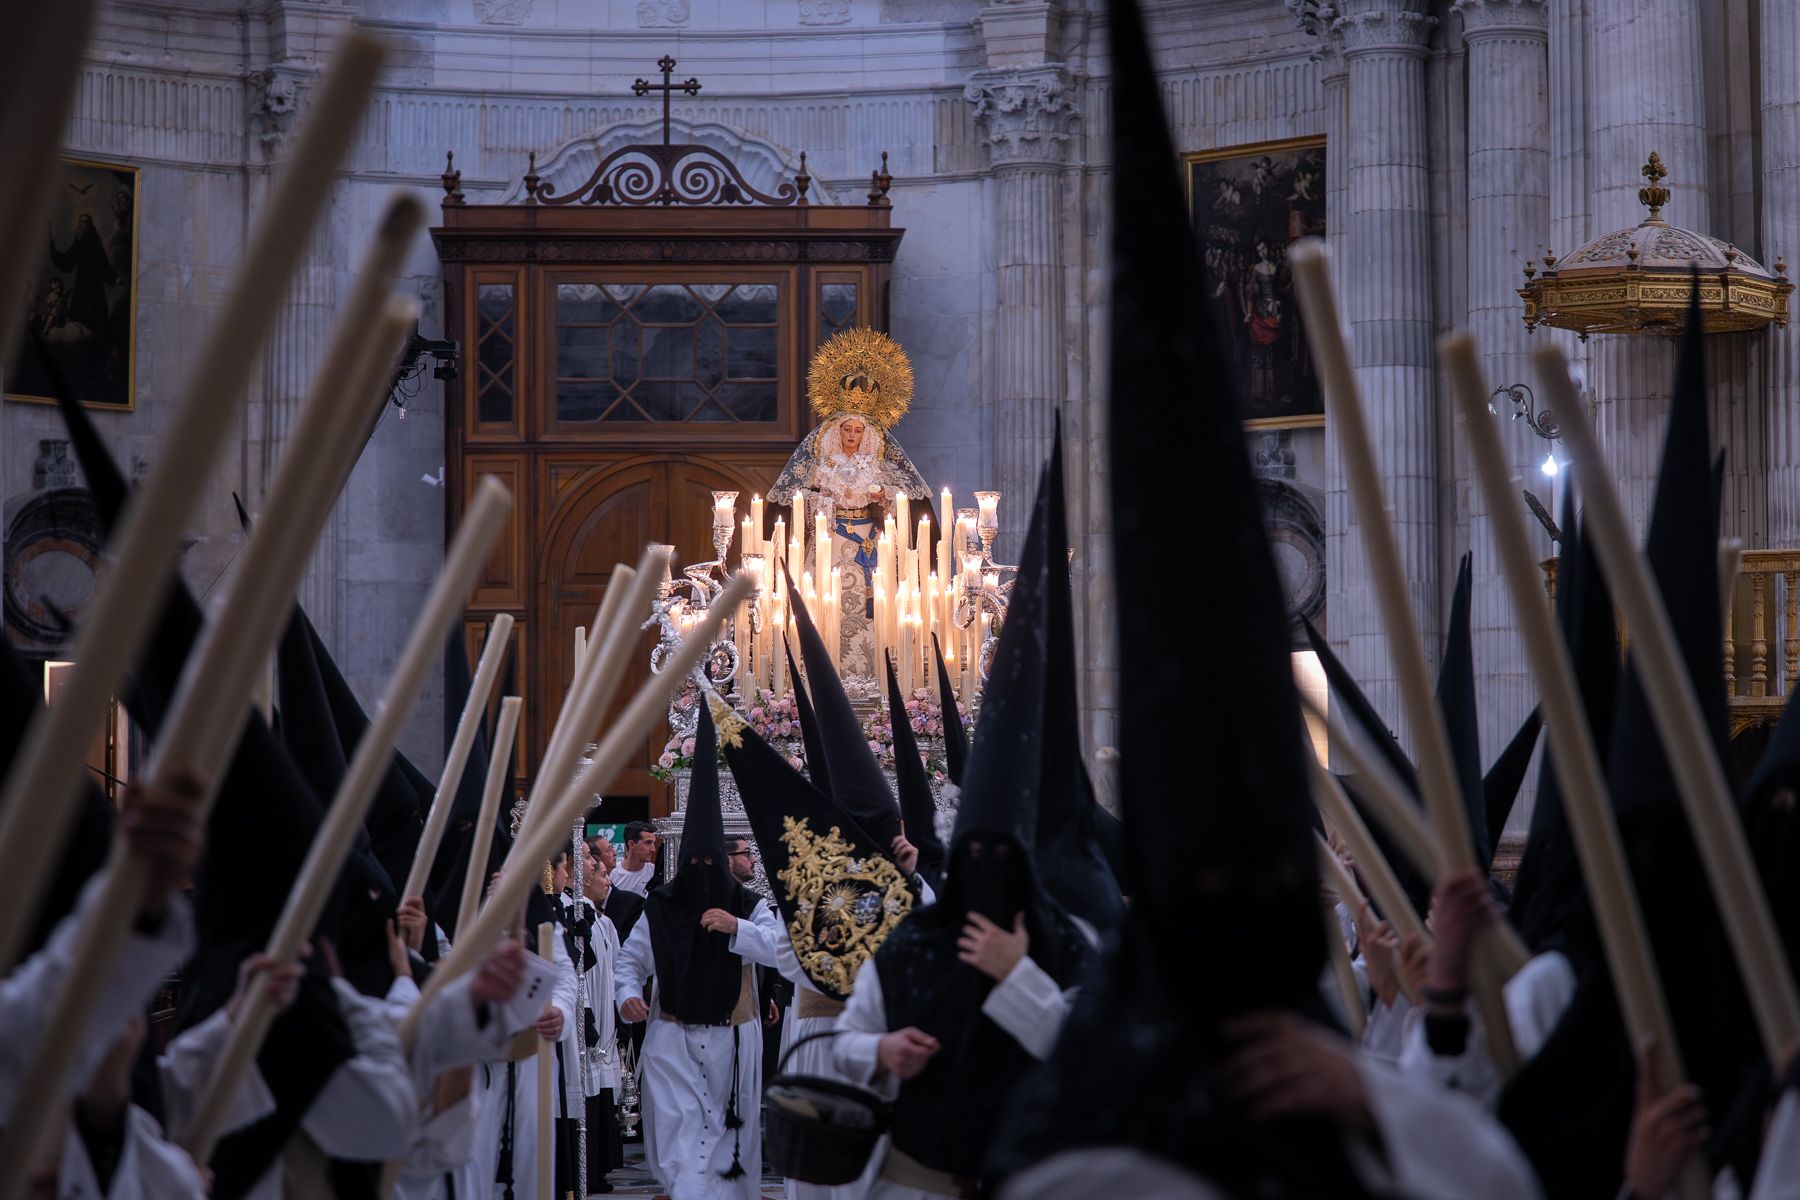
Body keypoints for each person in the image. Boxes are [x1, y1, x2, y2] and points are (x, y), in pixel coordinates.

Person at [614, 705, 783, 1198]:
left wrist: (737, 929)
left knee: (731, 1142)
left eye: (714, 862)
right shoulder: (662, 906)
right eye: (697, 861)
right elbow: (631, 961)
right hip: (671, 1037)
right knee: (677, 1135)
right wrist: (627, 994)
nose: (705, 869)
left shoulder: (748, 905)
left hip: (734, 1037)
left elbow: (781, 951)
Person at [551, 844, 624, 1195]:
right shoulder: (563, 912)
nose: (603, 876)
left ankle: (595, 1166)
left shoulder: (601, 919)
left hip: (601, 1009)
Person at [611, 822, 659, 898]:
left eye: (653, 843)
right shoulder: (613, 874)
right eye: (648, 842)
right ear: (631, 844)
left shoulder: (655, 873)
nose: (653, 849)